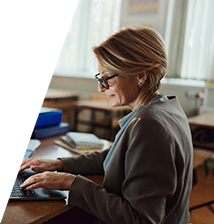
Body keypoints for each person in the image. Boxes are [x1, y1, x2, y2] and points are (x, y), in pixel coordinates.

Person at [14, 27, 193, 224]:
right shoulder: (166, 107)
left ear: (141, 75)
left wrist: (72, 183)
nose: (100, 87)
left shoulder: (149, 124)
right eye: (99, 78)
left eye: (107, 78)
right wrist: (60, 164)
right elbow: (118, 156)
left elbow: (140, 219)